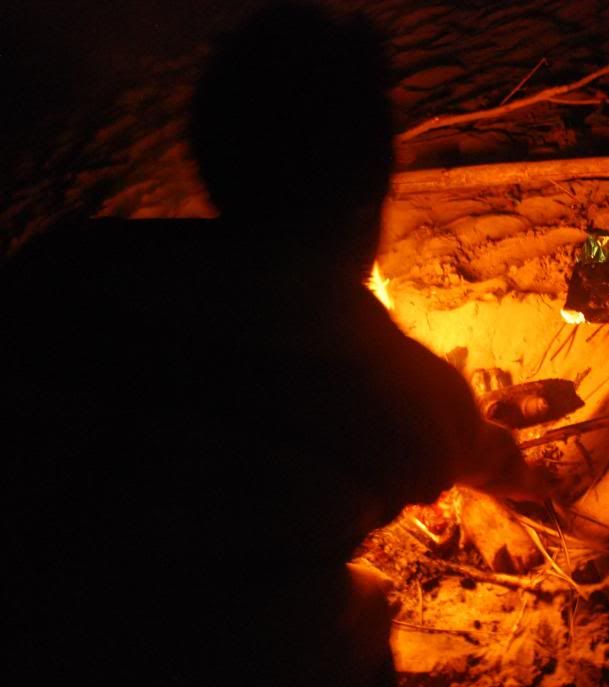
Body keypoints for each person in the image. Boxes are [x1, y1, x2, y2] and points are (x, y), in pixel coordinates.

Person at [3, 4, 538, 684]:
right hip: (155, 654)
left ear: (214, 169)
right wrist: (533, 482)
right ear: (369, 198)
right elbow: (488, 459)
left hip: (24, 621)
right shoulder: (388, 380)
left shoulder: (65, 263)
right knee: (364, 598)